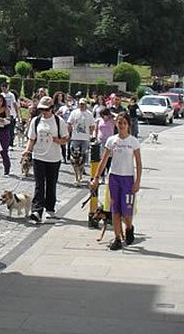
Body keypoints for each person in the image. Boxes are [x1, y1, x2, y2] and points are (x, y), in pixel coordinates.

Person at [91, 112, 142, 251]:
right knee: (115, 210)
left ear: (128, 125)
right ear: (116, 124)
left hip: (128, 179)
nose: (122, 126)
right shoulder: (112, 140)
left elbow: (138, 162)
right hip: (114, 178)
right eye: (119, 123)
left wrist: (137, 182)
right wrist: (96, 177)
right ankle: (117, 238)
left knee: (127, 211)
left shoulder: (133, 142)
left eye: (124, 123)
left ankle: (129, 228)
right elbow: (104, 160)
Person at [23, 96, 69, 223]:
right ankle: (37, 210)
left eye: (46, 109)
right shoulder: (36, 121)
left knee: (51, 184)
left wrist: (58, 140)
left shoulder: (59, 121)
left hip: (54, 157)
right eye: (41, 109)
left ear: (52, 108)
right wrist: (28, 150)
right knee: (39, 184)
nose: (44, 112)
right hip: (38, 156)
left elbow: (66, 138)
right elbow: (31, 138)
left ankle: (50, 209)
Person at [67, 98, 96, 165]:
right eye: (80, 104)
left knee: (84, 154)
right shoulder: (74, 113)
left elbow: (92, 125)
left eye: (83, 104)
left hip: (85, 138)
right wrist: (69, 133)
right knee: (74, 153)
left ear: (86, 105)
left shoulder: (89, 114)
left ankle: (83, 167)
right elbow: (69, 123)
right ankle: (75, 165)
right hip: (75, 137)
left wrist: (90, 133)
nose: (81, 105)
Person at [95, 108, 115, 183]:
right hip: (101, 141)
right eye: (102, 115)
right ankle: (102, 176)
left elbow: (118, 117)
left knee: (109, 159)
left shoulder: (112, 120)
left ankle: (109, 175)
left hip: (110, 141)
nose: (104, 117)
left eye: (105, 115)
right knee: (102, 159)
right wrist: (95, 137)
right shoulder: (99, 120)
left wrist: (111, 115)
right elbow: (96, 129)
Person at [0, 83, 19, 147]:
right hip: (3, 114)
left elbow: (14, 104)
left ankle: (11, 143)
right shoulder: (1, 95)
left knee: (11, 130)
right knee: (3, 129)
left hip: (11, 113)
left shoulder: (11, 95)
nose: (3, 90)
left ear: (7, 88)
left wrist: (17, 113)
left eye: (4, 88)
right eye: (2, 89)